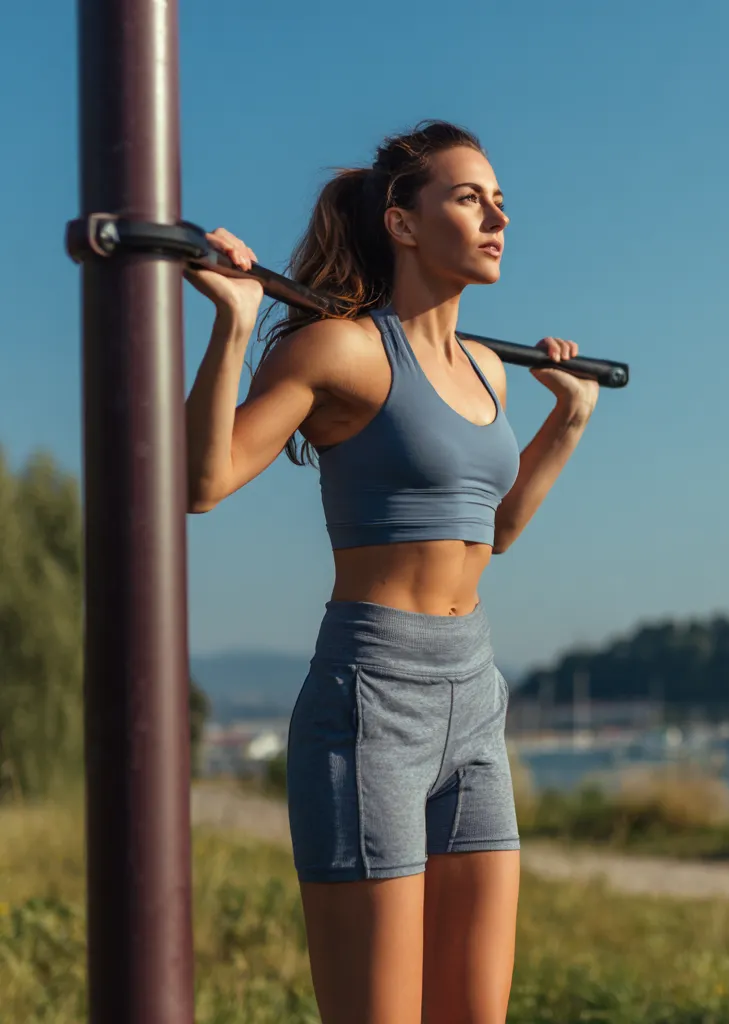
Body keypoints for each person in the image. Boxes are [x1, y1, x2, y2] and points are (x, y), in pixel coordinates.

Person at [184, 120, 598, 1024]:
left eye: (499, 201)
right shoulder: (343, 352)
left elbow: (491, 534)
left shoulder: (488, 369)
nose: (497, 217)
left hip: (474, 696)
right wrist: (235, 321)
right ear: (402, 223)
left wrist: (563, 427)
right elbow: (201, 479)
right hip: (373, 698)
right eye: (467, 197)